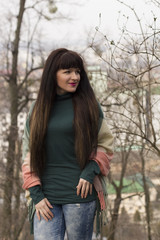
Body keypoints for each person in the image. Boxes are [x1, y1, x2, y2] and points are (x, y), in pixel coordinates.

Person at [22, 48, 114, 240]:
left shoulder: (89, 105)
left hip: (80, 195)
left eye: (78, 71)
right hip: (45, 197)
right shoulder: (38, 109)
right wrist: (36, 195)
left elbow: (105, 143)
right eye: (68, 72)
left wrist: (90, 172)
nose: (75, 77)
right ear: (53, 74)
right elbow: (27, 152)